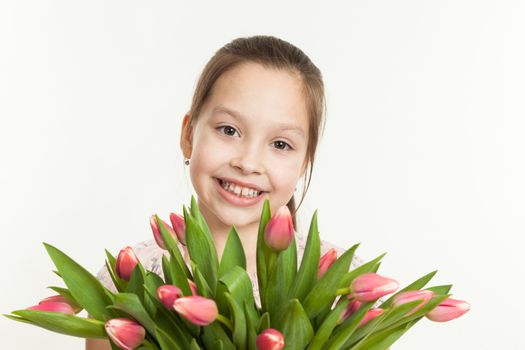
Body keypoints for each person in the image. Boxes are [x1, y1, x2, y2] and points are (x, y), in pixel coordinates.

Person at [86, 35, 364, 350]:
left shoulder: (343, 287)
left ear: (303, 164)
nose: (248, 163)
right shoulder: (129, 280)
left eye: (280, 144)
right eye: (228, 130)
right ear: (188, 135)